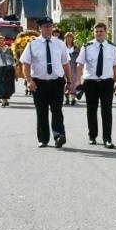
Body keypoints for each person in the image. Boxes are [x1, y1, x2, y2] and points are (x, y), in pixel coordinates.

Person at [19, 17, 74, 147]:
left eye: (50, 26)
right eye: (46, 26)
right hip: (39, 83)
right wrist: (29, 81)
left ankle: (59, 135)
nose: (49, 29)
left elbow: (65, 64)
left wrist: (69, 81)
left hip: (56, 82)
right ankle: (43, 139)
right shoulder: (32, 44)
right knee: (41, 111)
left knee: (57, 110)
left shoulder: (60, 43)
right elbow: (26, 64)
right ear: (40, 28)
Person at [77, 21, 116, 147]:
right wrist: (79, 79)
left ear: (106, 32)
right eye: (96, 31)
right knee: (91, 110)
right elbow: (79, 64)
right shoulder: (86, 47)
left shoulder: (112, 48)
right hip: (90, 82)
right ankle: (92, 136)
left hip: (106, 83)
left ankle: (107, 138)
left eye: (101, 31)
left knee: (106, 111)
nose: (98, 33)